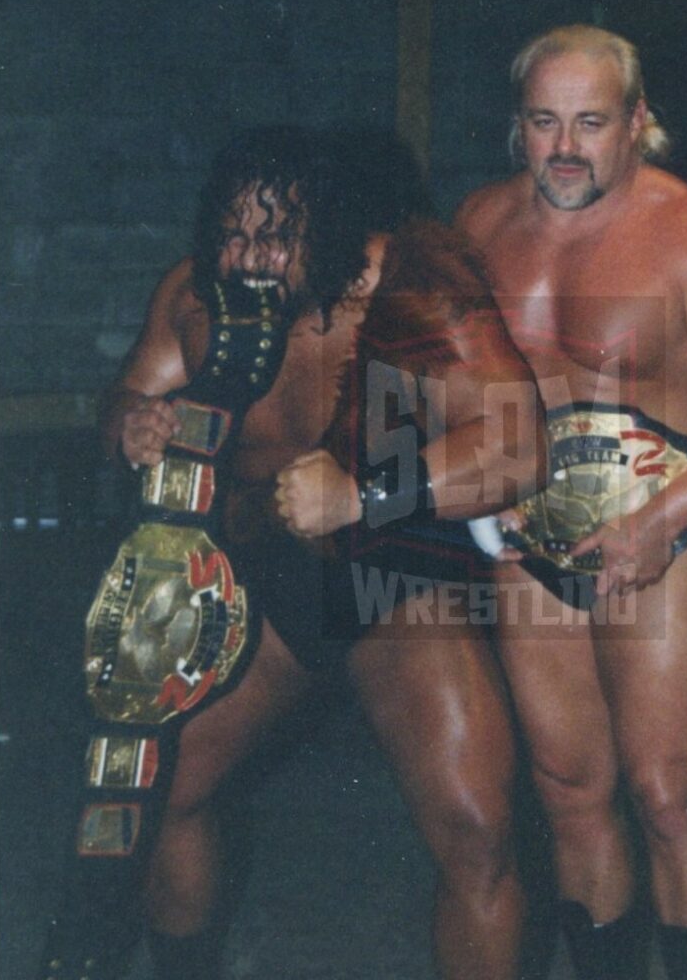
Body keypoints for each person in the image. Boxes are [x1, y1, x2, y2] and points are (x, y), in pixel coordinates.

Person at [89, 125, 545, 980]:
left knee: (477, 832)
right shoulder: (193, 297)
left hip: (394, 571)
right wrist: (132, 424)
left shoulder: (410, 288)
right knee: (161, 794)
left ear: (329, 232)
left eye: (278, 234)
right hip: (262, 573)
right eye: (233, 230)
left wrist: (366, 493)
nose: (251, 256)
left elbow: (518, 450)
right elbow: (122, 394)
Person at [452, 25, 687, 980]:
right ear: (516, 127)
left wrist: (662, 523)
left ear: (637, 123)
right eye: (543, 123)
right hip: (531, 544)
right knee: (568, 793)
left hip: (664, 535)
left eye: (590, 123)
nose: (565, 148)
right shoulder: (480, 226)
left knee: (665, 794)